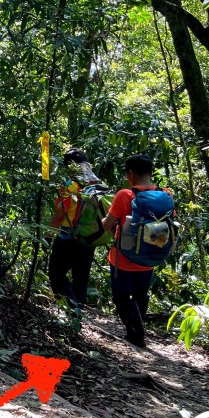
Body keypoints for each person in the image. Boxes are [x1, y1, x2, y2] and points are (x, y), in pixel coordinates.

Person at [101, 153, 172, 348]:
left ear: (131, 174)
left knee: (121, 297)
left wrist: (103, 217)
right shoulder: (166, 195)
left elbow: (107, 225)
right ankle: (137, 331)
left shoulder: (125, 195)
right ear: (150, 172)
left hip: (123, 258)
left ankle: (135, 333)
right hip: (150, 256)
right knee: (141, 295)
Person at [47, 148, 102, 329]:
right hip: (89, 239)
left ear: (69, 165)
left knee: (56, 274)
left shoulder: (70, 186)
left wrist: (48, 235)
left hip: (67, 238)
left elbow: (59, 215)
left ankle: (72, 310)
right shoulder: (98, 184)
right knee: (81, 278)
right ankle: (77, 319)